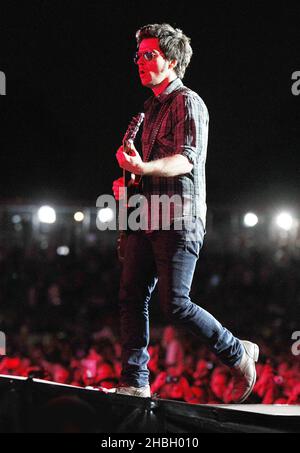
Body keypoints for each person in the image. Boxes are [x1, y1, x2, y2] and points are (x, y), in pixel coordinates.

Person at [112, 23, 259, 402]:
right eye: (138, 56)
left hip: (179, 217)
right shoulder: (147, 110)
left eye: (150, 55)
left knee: (175, 304)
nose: (140, 62)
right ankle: (135, 381)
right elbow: (149, 173)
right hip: (146, 216)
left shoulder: (188, 102)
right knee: (131, 295)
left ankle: (239, 353)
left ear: (173, 61)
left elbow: (185, 160)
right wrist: (129, 184)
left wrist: (142, 169)